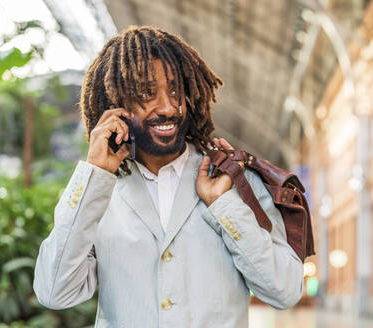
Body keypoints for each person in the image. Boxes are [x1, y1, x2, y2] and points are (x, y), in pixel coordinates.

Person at [33, 25, 303, 327]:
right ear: (115, 105)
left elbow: (286, 291)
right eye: (147, 93)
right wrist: (95, 175)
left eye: (175, 90)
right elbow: (54, 291)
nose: (168, 106)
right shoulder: (98, 190)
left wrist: (223, 206)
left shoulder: (234, 179)